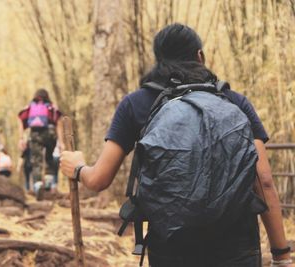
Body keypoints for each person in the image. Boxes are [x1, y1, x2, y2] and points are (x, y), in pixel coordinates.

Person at [60, 24, 293, 267]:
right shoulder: (234, 102)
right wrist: (281, 255)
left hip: (171, 249)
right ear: (200, 56)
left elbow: (99, 179)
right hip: (237, 249)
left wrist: (77, 167)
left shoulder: (136, 104)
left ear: (158, 61)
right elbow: (264, 180)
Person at [18, 88, 64, 199]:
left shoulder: (30, 107)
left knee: (36, 160)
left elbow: (20, 118)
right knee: (49, 158)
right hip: (50, 134)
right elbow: (59, 123)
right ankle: (48, 183)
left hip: (35, 134)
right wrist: (61, 142)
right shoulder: (51, 107)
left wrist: (21, 138)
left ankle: (38, 186)